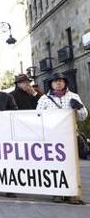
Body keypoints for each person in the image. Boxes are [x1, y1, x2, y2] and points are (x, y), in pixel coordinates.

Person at [36, 73, 88, 204]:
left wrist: (80, 107)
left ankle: (73, 193)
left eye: (60, 81)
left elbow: (83, 117)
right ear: (51, 84)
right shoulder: (44, 99)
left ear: (65, 83)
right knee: (55, 166)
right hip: (52, 138)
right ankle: (58, 192)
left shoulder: (74, 96)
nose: (58, 83)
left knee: (72, 166)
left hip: (70, 137)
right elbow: (38, 117)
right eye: (55, 81)